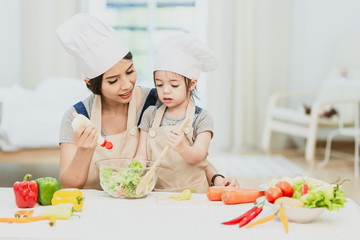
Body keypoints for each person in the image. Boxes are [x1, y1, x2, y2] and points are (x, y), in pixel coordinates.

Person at [57, 13, 234, 190]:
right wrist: (85, 149)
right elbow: (69, 184)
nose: (127, 85)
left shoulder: (159, 102)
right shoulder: (78, 117)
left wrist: (217, 178)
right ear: (91, 83)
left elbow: (192, 160)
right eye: (113, 81)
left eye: (130, 71)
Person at [134, 34, 238, 193]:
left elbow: (198, 157)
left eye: (174, 85)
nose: (165, 90)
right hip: (156, 193)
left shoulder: (202, 118)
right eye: (159, 84)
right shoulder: (150, 114)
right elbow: (142, 155)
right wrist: (131, 174)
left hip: (193, 195)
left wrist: (182, 146)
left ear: (192, 83)